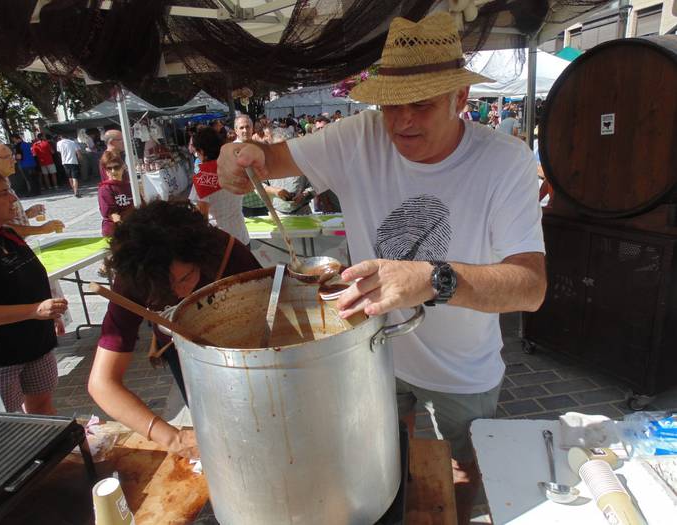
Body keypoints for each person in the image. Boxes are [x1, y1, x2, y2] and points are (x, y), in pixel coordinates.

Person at [217, 12, 546, 524]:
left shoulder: (506, 162)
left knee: (450, 492)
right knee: (372, 480)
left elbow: (530, 287)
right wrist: (237, 154)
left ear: (461, 99)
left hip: (460, 372)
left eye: (422, 103)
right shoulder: (358, 136)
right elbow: (268, 159)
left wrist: (431, 278)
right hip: (371, 357)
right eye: (390, 104)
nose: (401, 122)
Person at [88, 200, 261, 457]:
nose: (180, 292)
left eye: (186, 277)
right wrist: (172, 438)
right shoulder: (134, 279)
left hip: (250, 348)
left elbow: (274, 317)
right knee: (214, 428)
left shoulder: (225, 252)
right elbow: (101, 383)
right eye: (165, 286)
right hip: (183, 356)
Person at [0, 168, 68, 414]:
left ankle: (50, 451)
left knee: (42, 406)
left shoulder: (7, 235)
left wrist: (50, 312)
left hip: (36, 344)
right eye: (3, 193)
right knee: (6, 421)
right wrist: (33, 310)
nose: (12, 199)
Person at [0, 142, 64, 237]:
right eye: (8, 157)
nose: (14, 161)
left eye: (13, 156)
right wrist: (41, 229)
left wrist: (26, 213)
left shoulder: (3, 180)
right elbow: (0, 226)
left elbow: (4, 218)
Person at [188, 126, 250, 245]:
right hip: (241, 237)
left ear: (202, 151)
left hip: (221, 243)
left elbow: (202, 217)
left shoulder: (203, 178)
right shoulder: (236, 168)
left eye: (197, 152)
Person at [263, 129, 315, 215]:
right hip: (278, 214)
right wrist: (275, 191)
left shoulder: (303, 161)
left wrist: (304, 195)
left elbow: (316, 184)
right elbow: (258, 185)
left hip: (302, 212)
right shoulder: (267, 163)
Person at [98, 151, 134, 237]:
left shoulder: (130, 185)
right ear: (105, 171)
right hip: (115, 231)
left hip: (133, 226)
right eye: (109, 168)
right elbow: (112, 214)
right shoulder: (105, 189)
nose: (113, 171)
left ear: (122, 167)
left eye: (116, 167)